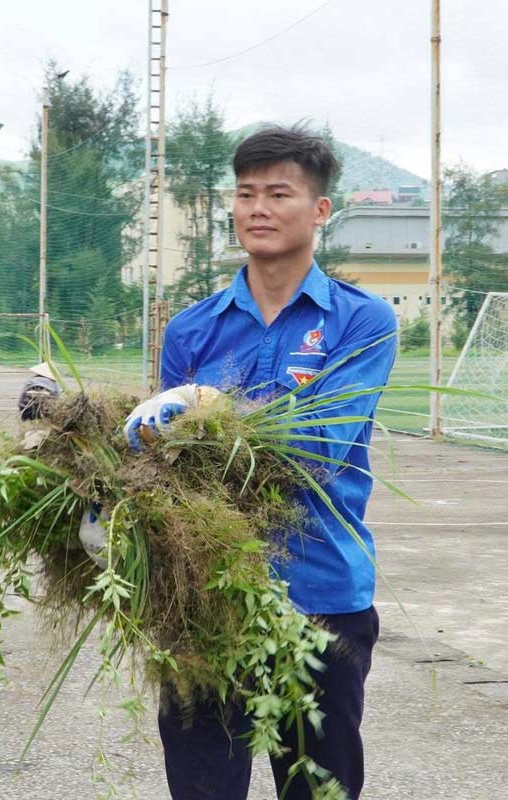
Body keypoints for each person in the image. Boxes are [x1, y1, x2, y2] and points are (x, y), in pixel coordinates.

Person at [123, 125, 397, 799]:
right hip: (203, 597)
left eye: (279, 193)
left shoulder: (361, 322)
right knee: (203, 788)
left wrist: (207, 413)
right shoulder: (193, 328)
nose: (258, 208)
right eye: (245, 194)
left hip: (321, 597)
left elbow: (318, 445)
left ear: (321, 211)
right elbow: (168, 468)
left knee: (319, 790)